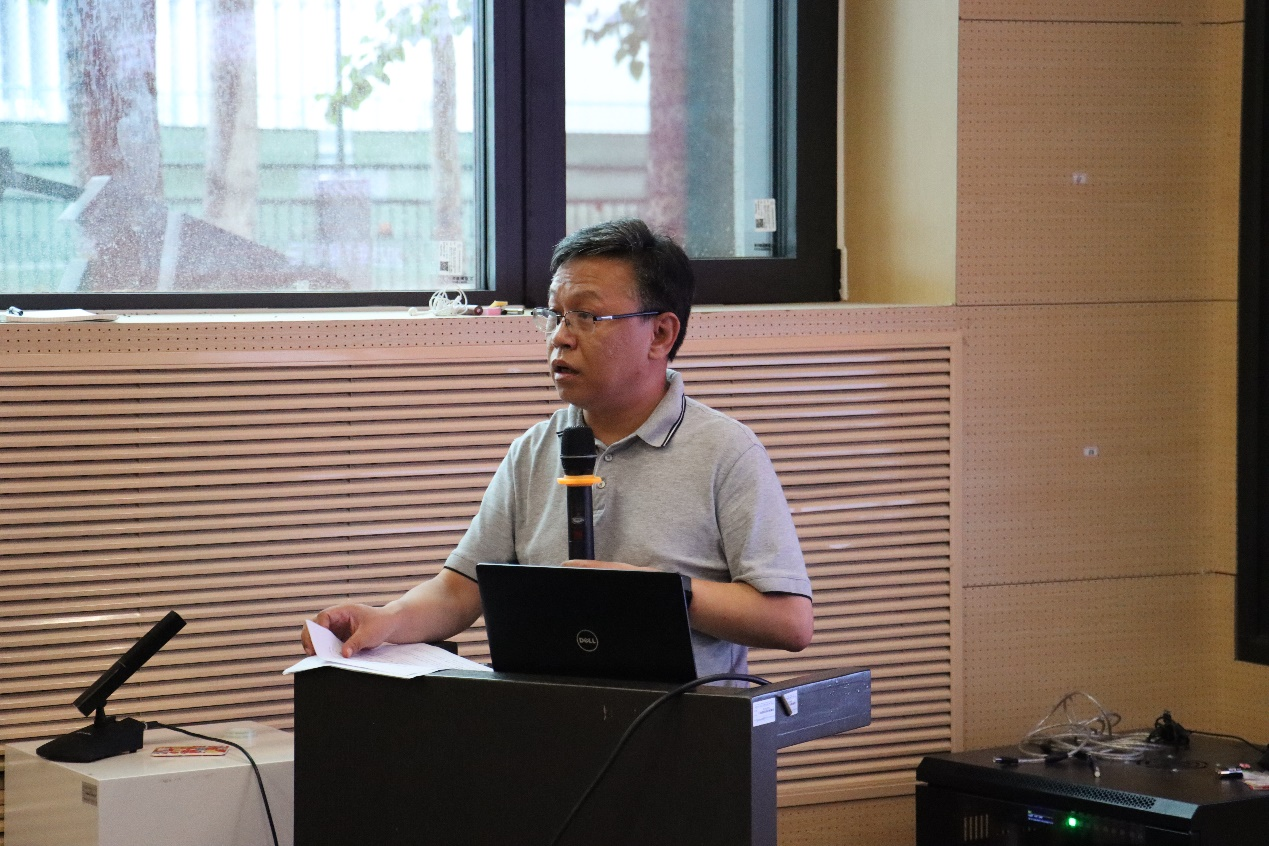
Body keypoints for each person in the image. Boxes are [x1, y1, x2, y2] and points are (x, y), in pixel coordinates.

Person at [302, 218, 813, 675]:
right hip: (549, 717)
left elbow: (789, 622)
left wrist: (657, 592)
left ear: (660, 333)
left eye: (586, 317)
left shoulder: (726, 451)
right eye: (553, 315)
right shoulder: (534, 449)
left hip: (682, 723)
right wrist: (386, 620)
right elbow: (460, 589)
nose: (559, 338)